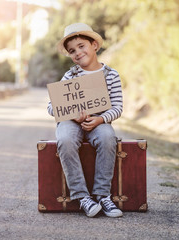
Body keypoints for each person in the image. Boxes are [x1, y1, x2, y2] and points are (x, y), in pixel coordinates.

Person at [47, 23, 123, 218]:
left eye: (82, 46)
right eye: (72, 51)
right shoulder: (69, 76)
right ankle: (83, 197)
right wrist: (72, 114)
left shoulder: (111, 75)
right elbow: (51, 106)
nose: (78, 53)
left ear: (95, 45)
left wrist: (100, 120)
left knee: (108, 138)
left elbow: (117, 108)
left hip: (99, 122)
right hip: (71, 122)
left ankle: (103, 195)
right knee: (64, 139)